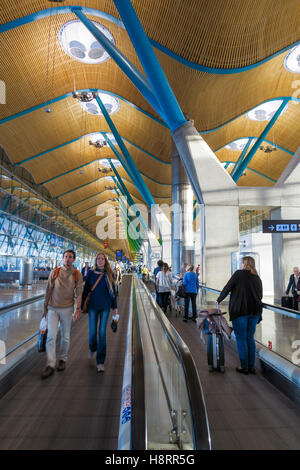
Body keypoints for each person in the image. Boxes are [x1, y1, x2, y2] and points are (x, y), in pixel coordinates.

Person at [217, 256, 263, 375]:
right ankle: (251, 367)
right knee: (249, 338)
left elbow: (227, 288)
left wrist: (219, 299)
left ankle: (244, 367)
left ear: (244, 264)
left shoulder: (238, 274)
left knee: (241, 338)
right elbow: (260, 295)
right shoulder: (257, 277)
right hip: (255, 311)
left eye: (241, 263)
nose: (240, 265)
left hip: (240, 310)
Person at [41, 249, 83, 379]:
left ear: (74, 259)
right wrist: (45, 309)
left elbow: (79, 292)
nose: (67, 259)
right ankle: (50, 364)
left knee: (65, 337)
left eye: (70, 257)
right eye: (65, 256)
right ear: (62, 258)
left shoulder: (77, 274)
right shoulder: (55, 272)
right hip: (53, 308)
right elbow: (49, 289)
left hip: (67, 309)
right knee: (51, 337)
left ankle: (63, 359)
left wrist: (78, 309)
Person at [81, 252, 118, 373]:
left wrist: (115, 308)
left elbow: (113, 293)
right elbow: (86, 290)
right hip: (92, 306)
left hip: (105, 307)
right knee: (92, 333)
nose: (100, 261)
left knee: (102, 333)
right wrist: (81, 307)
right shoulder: (91, 273)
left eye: (102, 259)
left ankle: (100, 361)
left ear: (105, 261)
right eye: (98, 259)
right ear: (96, 261)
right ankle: (92, 347)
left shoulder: (109, 274)